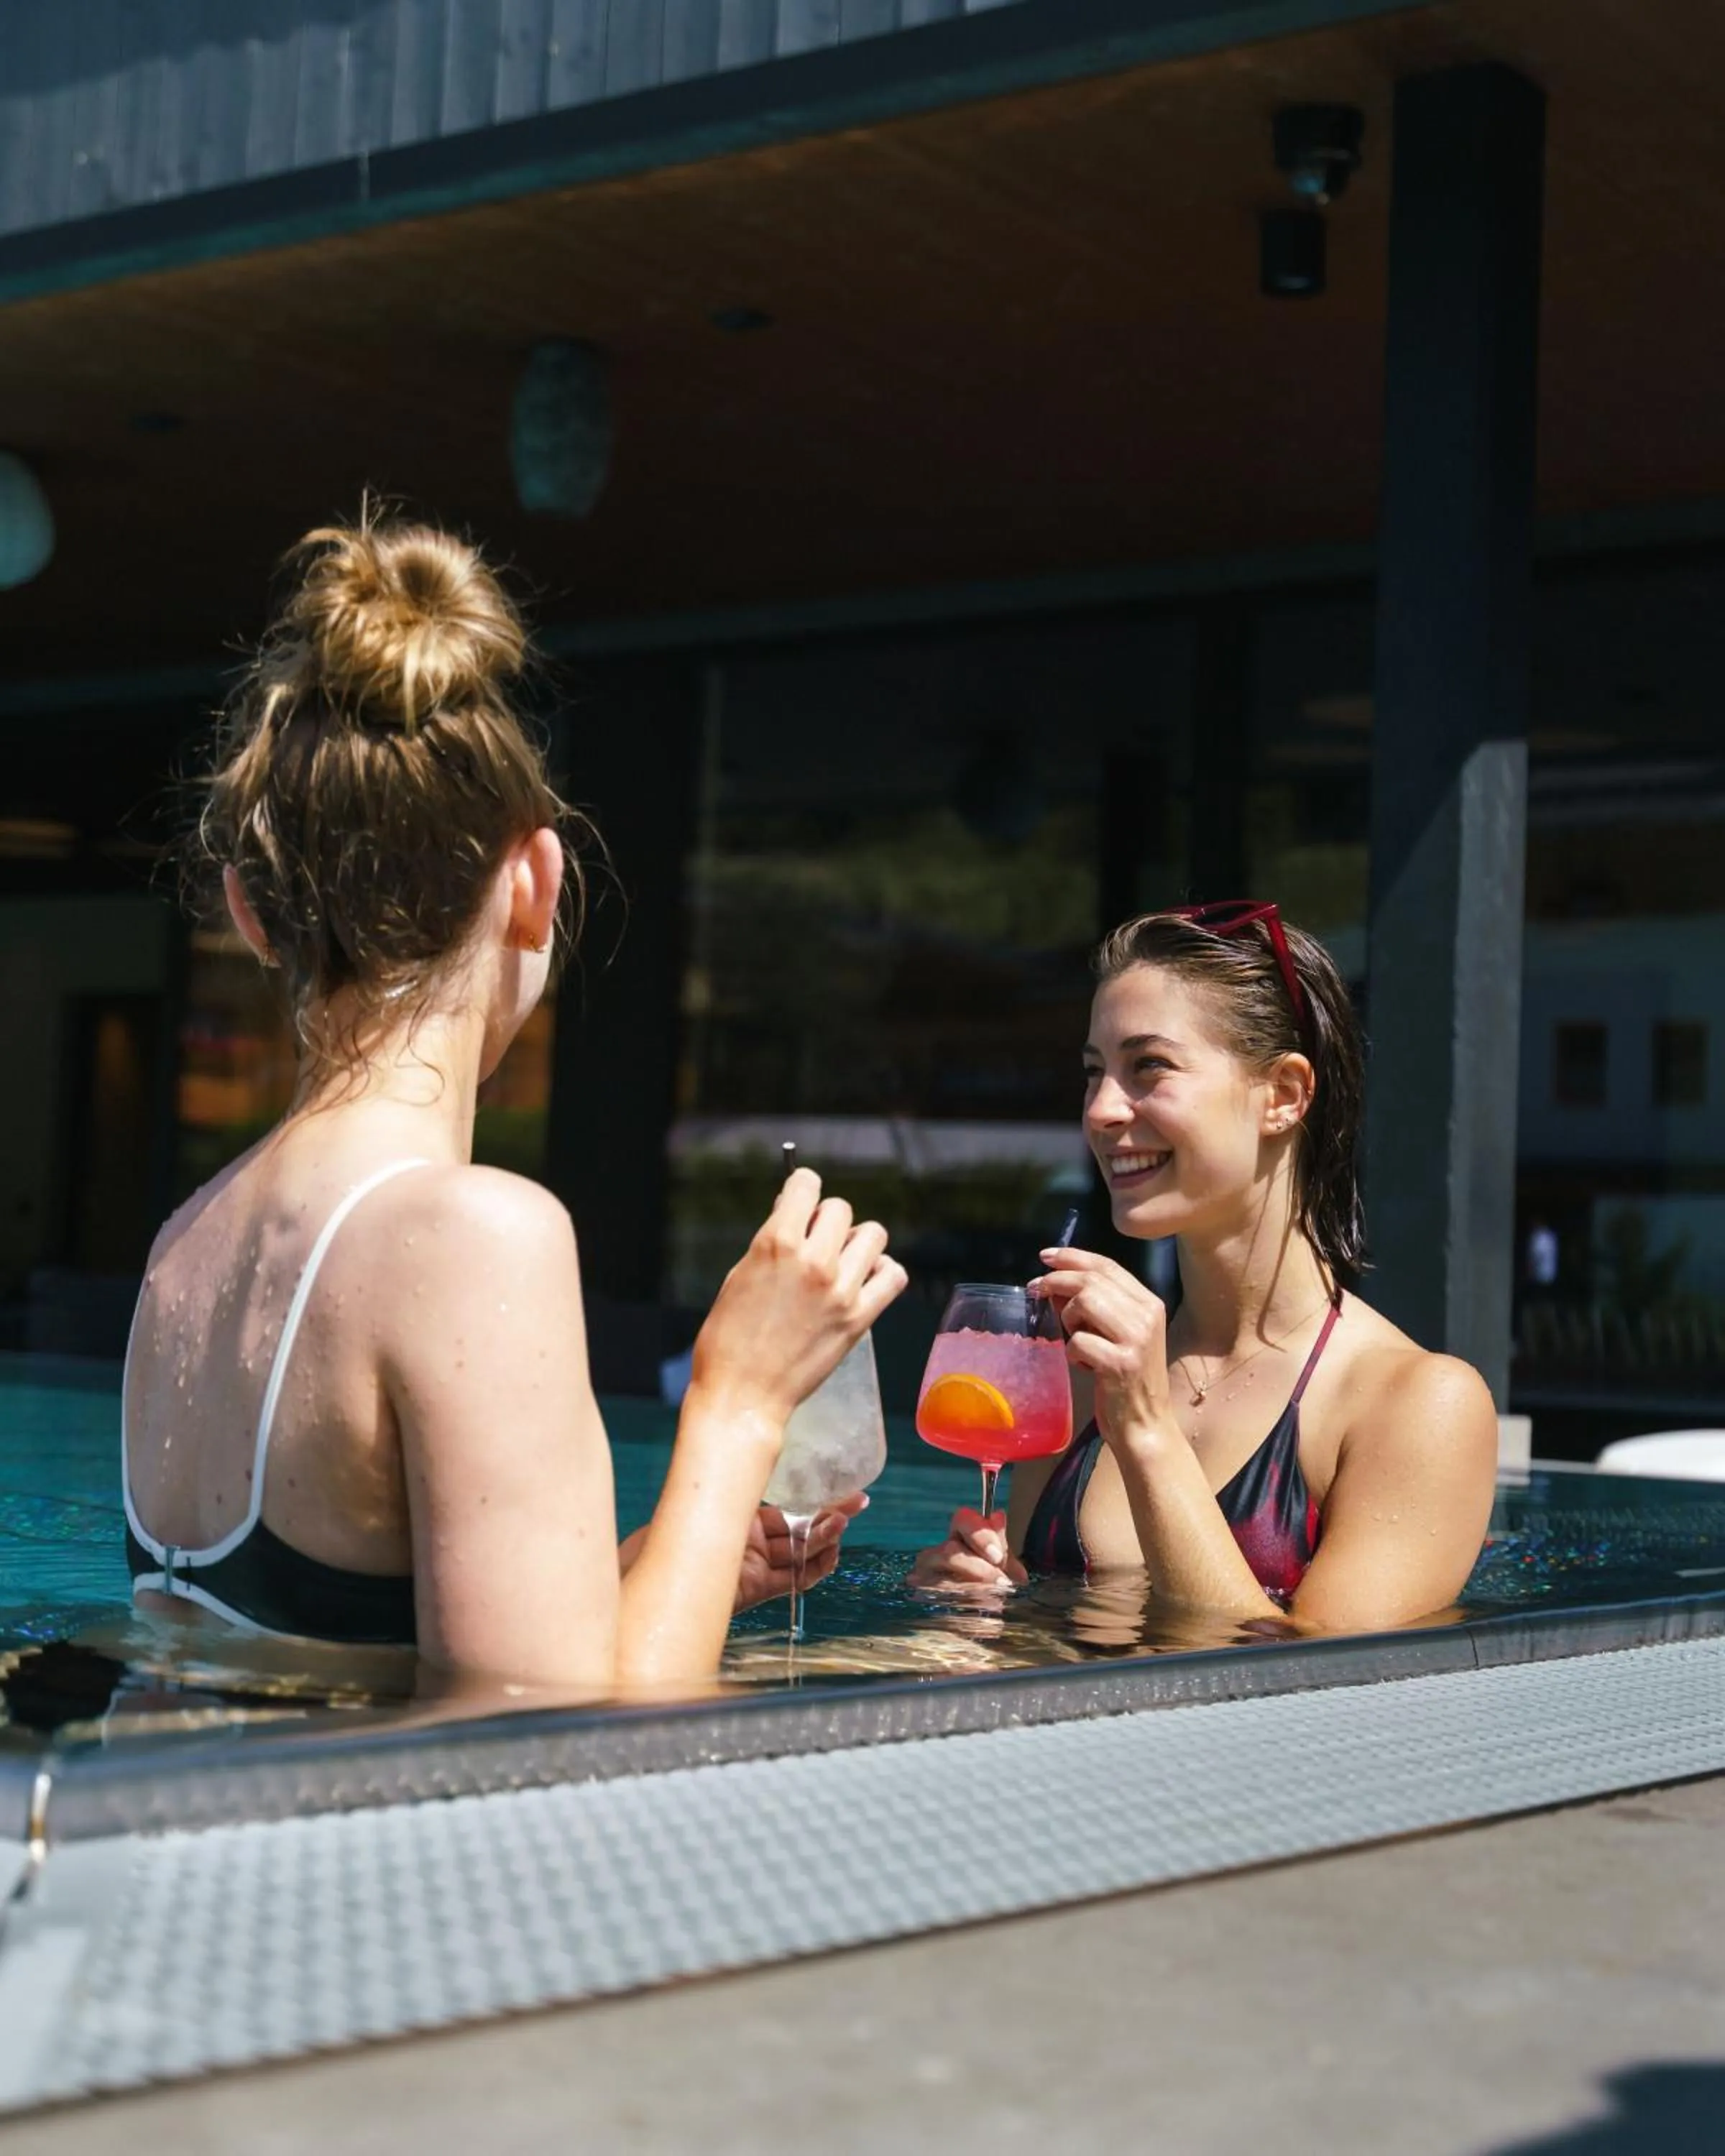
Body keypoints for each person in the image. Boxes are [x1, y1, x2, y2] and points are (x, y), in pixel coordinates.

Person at [123, 512, 905, 1692]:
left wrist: (685, 1555)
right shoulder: (473, 1235)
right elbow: (543, 1749)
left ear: (245, 911)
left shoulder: (185, 1244)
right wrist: (736, 1408)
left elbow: (362, 1662)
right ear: (535, 882)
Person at [910, 903, 1496, 1631]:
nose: (1100, 1110)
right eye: (1094, 1073)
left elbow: (1319, 1690)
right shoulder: (1084, 1374)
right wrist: (969, 1611)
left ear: (1282, 1095)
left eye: (1148, 1066)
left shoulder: (1417, 1404)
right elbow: (1030, 1644)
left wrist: (1148, 1430)